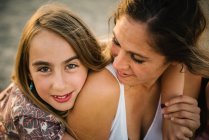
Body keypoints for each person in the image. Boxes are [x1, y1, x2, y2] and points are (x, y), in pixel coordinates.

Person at [67, 0, 209, 140]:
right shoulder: (99, 94)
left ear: (174, 59)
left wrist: (188, 131)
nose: (117, 64)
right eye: (116, 41)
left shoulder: (187, 77)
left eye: (137, 58)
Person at [0, 3, 109, 139]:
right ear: (28, 72)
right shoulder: (28, 119)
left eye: (71, 66)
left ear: (88, 58)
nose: (59, 85)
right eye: (44, 69)